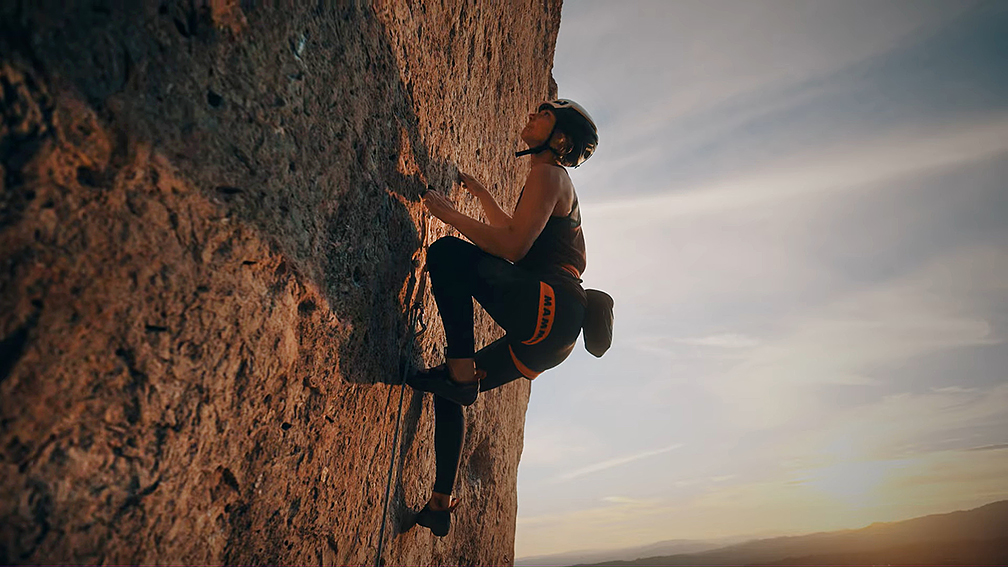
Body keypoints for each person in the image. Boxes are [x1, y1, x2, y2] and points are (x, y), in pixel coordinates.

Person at [408, 99, 599, 537]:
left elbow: (511, 248)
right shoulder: (552, 179)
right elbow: (520, 237)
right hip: (555, 332)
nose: (532, 115)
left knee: (447, 254)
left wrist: (451, 216)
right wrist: (482, 198)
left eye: (545, 114)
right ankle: (440, 503)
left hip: (551, 304)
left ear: (561, 139)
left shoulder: (549, 174)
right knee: (453, 390)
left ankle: (459, 372)